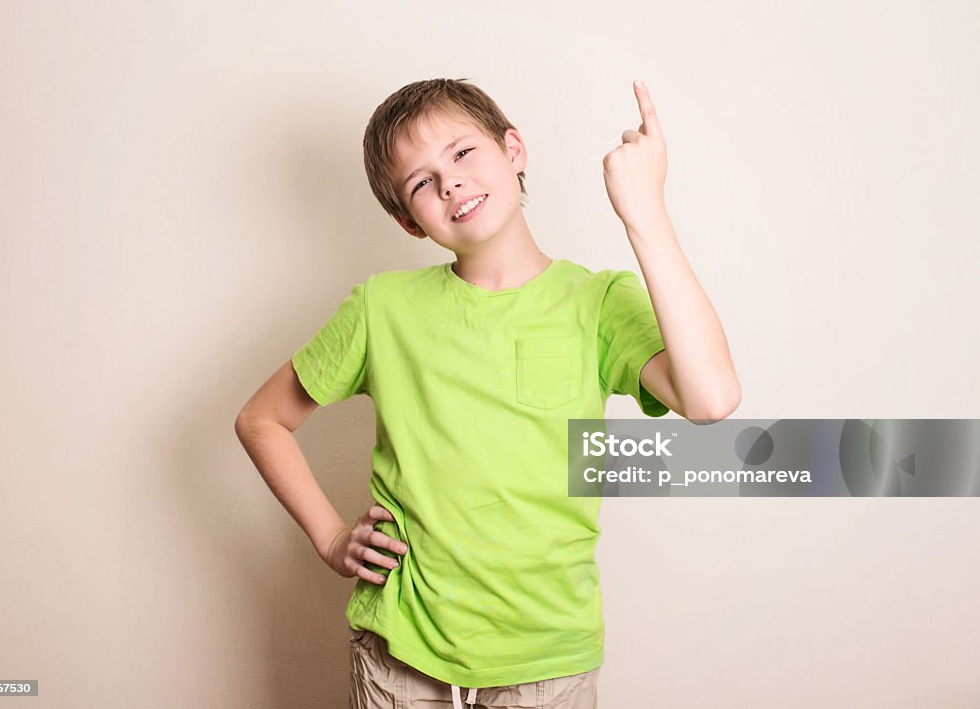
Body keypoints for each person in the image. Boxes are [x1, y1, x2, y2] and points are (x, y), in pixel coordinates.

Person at [234, 77, 741, 708]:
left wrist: (645, 213)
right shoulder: (381, 309)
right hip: (400, 654)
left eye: (462, 153)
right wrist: (332, 537)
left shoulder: (600, 304)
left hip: (548, 657)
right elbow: (262, 420)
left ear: (514, 150)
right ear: (406, 221)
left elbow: (712, 399)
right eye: (421, 181)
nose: (449, 182)